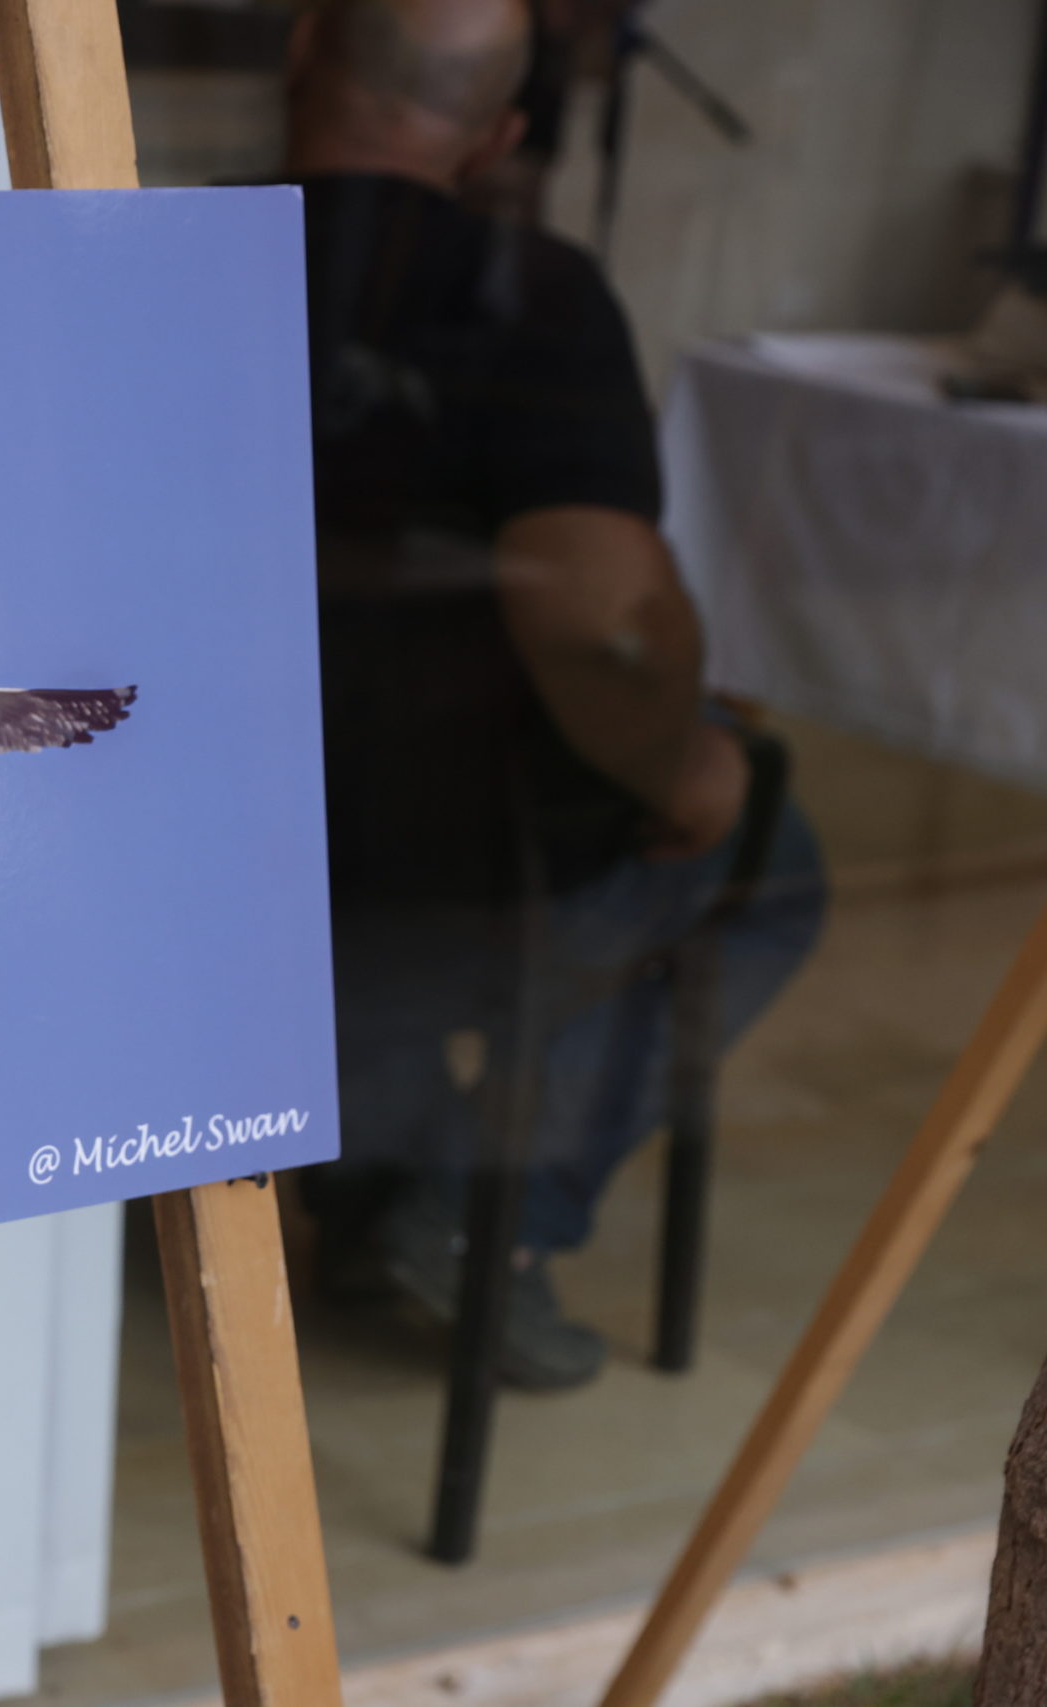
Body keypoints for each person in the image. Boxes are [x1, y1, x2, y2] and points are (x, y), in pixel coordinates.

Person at [283, 0, 827, 1389]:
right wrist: (685, 768)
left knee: (381, 844)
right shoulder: (529, 298)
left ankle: (374, 1187)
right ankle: (480, 1216)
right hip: (434, 871)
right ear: (499, 136)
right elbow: (605, 632)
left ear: (300, 56)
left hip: (199, 866)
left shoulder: (151, 261)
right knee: (760, 857)